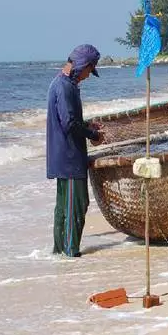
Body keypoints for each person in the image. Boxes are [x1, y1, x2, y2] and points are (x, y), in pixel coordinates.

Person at [46, 44, 104, 257]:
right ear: (83, 65)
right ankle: (71, 252)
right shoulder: (65, 87)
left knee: (64, 207)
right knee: (76, 205)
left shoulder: (61, 83)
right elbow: (69, 124)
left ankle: (60, 251)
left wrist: (87, 125)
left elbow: (70, 120)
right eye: (90, 70)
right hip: (69, 157)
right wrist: (94, 136)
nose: (89, 76)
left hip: (63, 156)